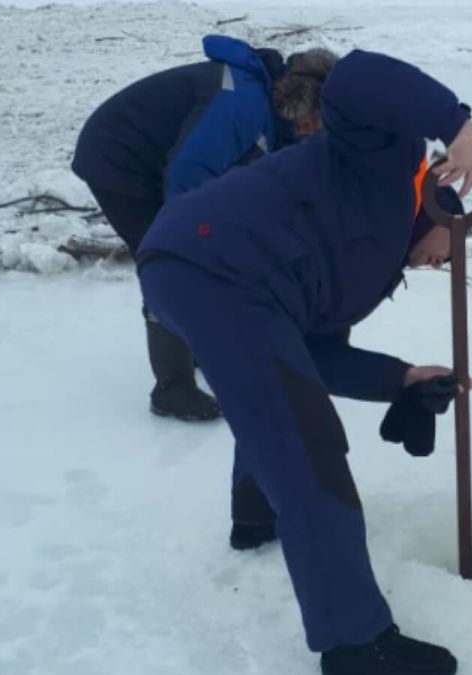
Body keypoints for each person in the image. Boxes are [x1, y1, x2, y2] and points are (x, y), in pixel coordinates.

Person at [136, 49, 472, 674]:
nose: (445, 262)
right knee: (306, 444)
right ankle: (355, 644)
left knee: (282, 400)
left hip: (206, 270)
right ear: (440, 213)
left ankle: (256, 519)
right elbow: (355, 78)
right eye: (449, 247)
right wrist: (457, 125)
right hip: (216, 267)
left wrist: (400, 379)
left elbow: (313, 355)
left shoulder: (371, 260)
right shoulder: (386, 165)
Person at [71, 35, 337, 421]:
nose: (316, 133)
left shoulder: (273, 112)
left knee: (200, 258)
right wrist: (194, 241)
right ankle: (172, 389)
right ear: (300, 103)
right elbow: (186, 178)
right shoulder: (240, 105)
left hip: (156, 158)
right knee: (170, 263)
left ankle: (189, 335)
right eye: (316, 123)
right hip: (118, 160)